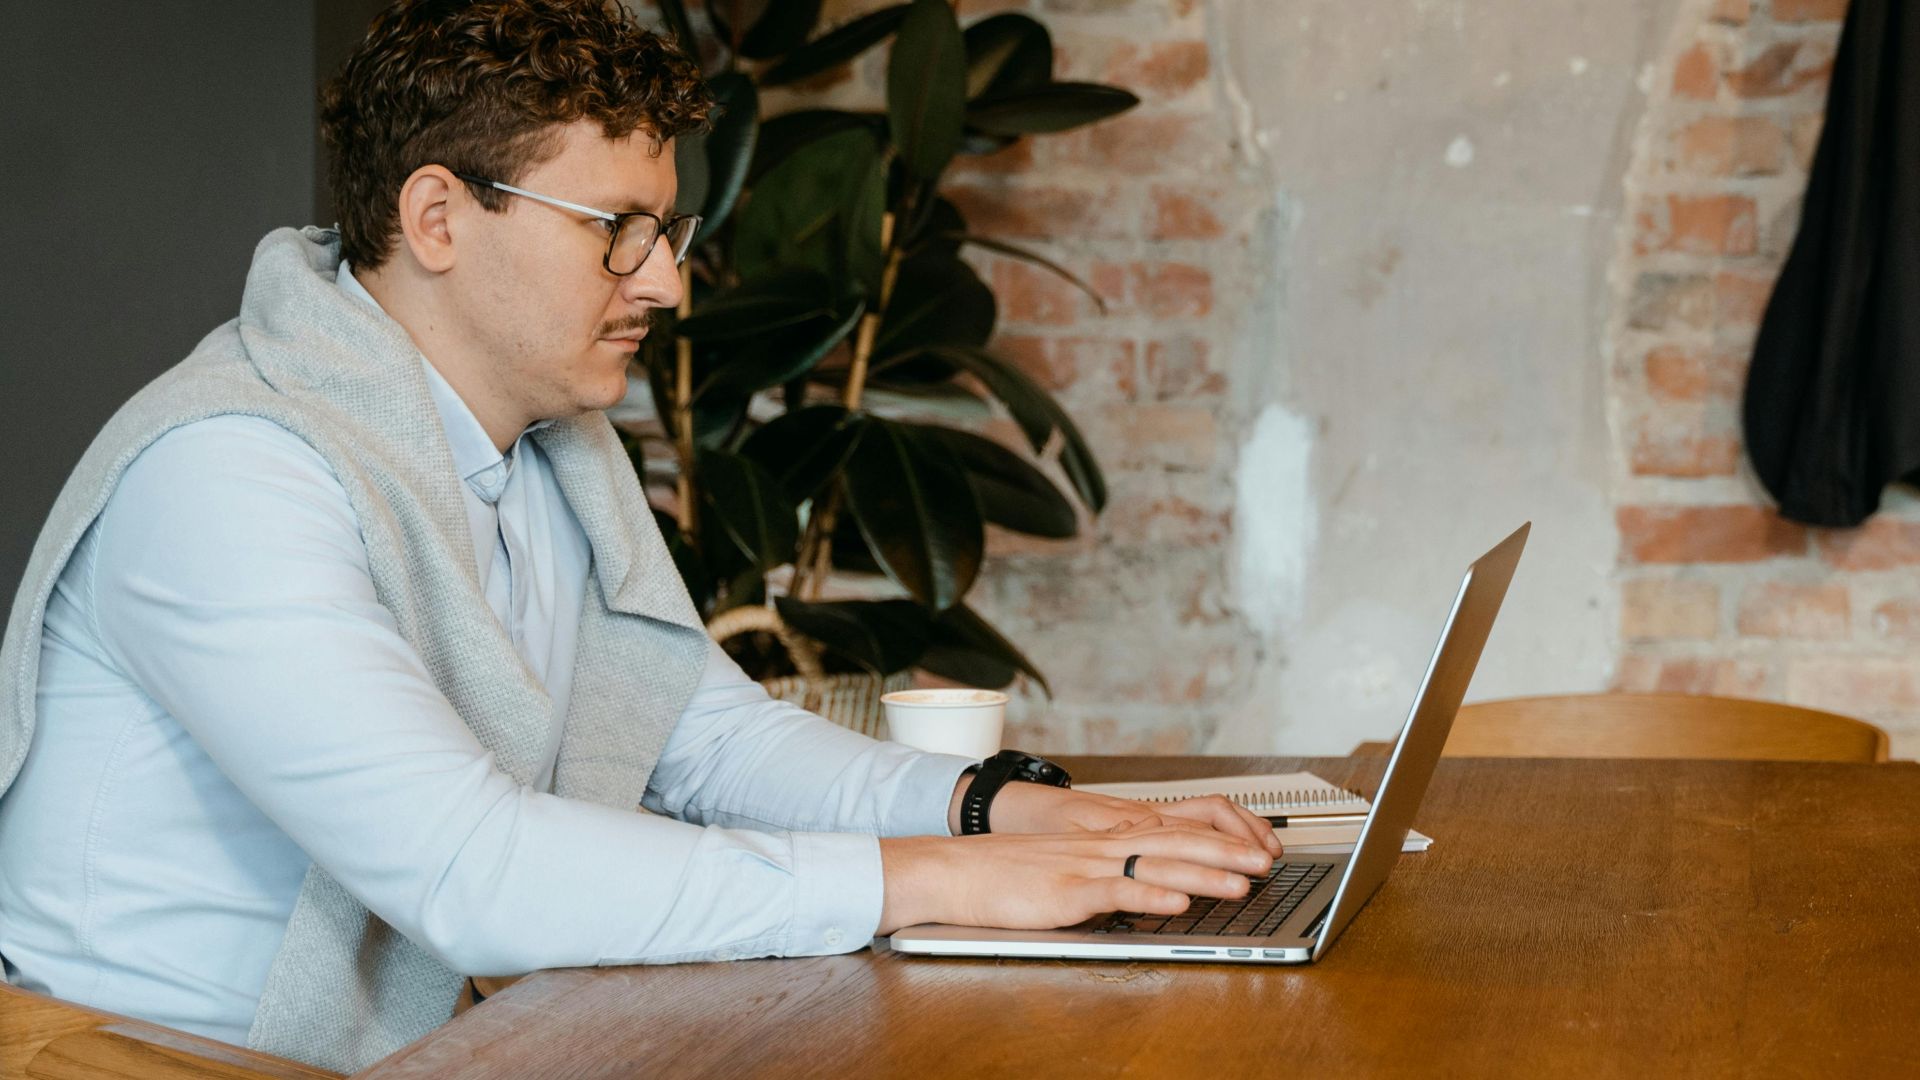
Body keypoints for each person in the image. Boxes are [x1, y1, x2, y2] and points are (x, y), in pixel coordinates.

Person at [0, 1, 1277, 1072]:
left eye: (667, 232)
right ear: (437, 218)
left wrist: (989, 809)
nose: (664, 281)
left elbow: (703, 735)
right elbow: (470, 872)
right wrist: (929, 880)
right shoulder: (233, 472)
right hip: (159, 1065)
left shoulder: (549, 441)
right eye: (618, 230)